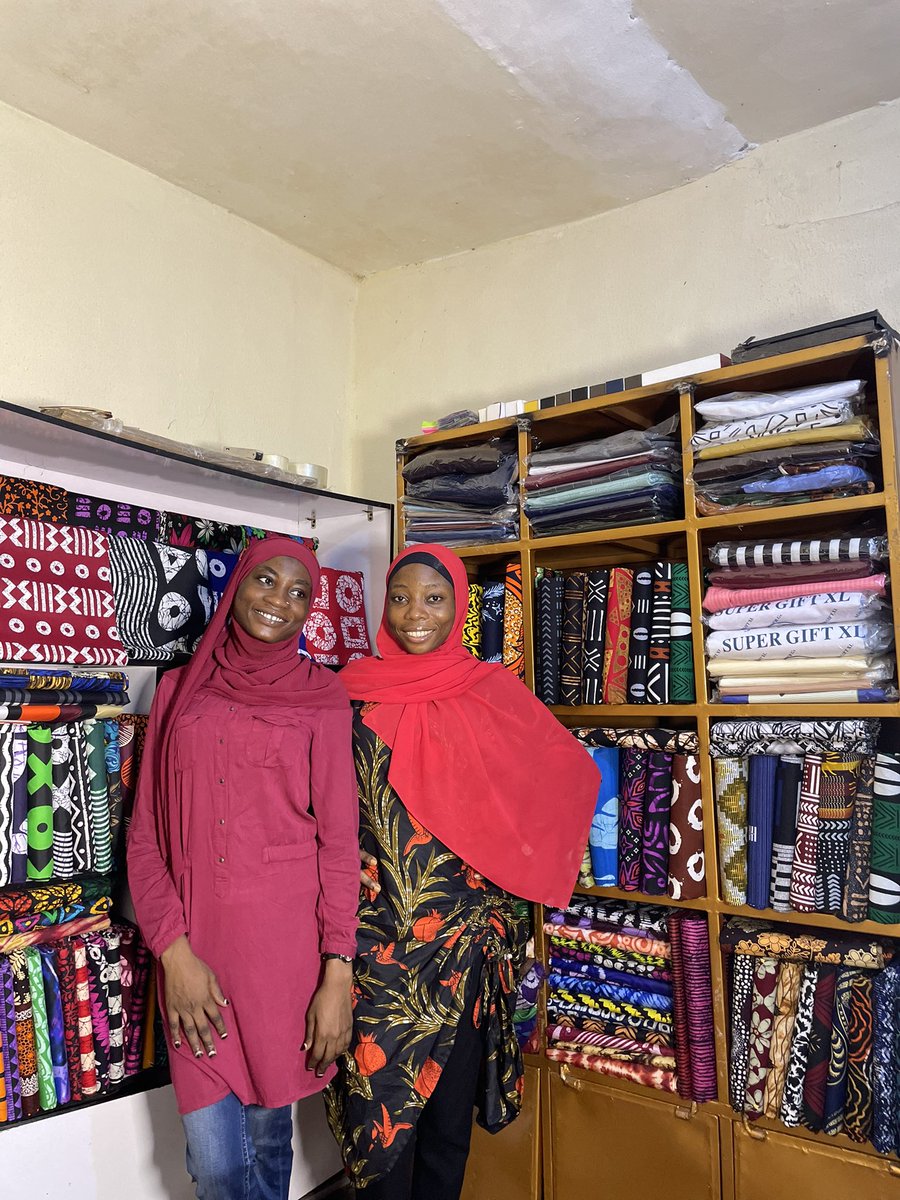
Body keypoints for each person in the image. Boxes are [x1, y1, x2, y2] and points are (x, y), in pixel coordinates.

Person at [326, 544, 600, 1199]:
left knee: (447, 1136)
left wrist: (510, 896)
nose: (415, 613)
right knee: (378, 1145)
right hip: (376, 952)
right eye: (400, 599)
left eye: (433, 598)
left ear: (459, 607)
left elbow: (566, 777)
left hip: (464, 952)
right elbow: (317, 809)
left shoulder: (490, 691)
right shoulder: (345, 695)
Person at [128, 536, 360, 1200]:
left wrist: (337, 972)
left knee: (267, 1139)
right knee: (216, 1164)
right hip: (195, 952)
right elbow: (145, 837)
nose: (280, 601)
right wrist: (175, 954)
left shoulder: (323, 697)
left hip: (283, 960)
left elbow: (338, 844)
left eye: (299, 592)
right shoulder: (180, 689)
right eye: (266, 581)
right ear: (236, 588)